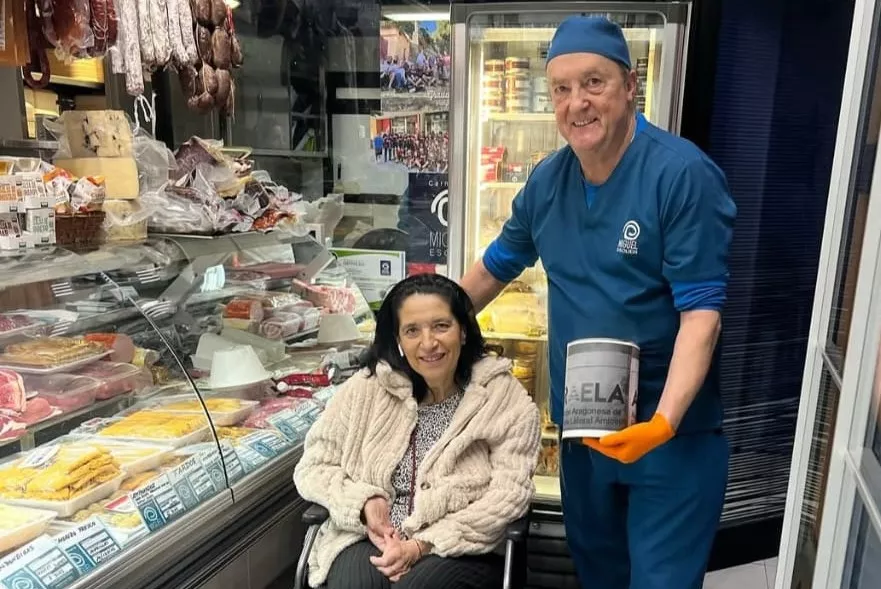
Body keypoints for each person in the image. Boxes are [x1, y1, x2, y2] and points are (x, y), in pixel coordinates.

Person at [459, 15, 737, 589]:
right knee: (599, 577)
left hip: (671, 438)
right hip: (584, 432)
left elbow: (702, 314)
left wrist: (663, 423)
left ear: (630, 85)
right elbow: (493, 270)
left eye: (594, 83)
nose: (576, 104)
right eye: (562, 88)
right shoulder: (546, 183)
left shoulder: (680, 175)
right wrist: (418, 325)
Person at [294, 273, 540, 589]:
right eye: (412, 330)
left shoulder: (502, 397)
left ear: (463, 331)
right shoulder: (365, 389)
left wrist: (421, 545)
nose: (428, 343)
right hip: (370, 537)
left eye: (441, 325)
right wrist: (364, 503)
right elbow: (314, 466)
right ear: (398, 338)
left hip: (459, 546)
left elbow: (510, 493)